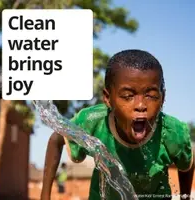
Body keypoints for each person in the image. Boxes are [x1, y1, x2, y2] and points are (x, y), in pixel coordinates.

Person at [40, 49, 194, 200]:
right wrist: (44, 196)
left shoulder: (172, 132)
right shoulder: (94, 121)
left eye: (151, 96)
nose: (140, 105)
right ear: (108, 98)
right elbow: (56, 139)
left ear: (163, 97)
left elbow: (187, 165)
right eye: (128, 96)